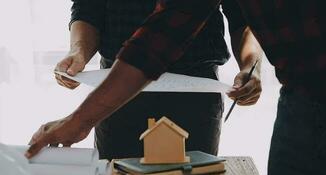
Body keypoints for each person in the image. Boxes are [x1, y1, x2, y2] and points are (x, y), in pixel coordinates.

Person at [28, 0, 326, 175]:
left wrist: (251, 66)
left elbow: (240, 22)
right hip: (298, 104)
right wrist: (79, 121)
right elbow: (162, 35)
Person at [27, 0, 262, 159]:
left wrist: (252, 66)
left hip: (195, 90)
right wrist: (78, 52)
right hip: (114, 91)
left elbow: (244, 17)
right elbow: (88, 7)